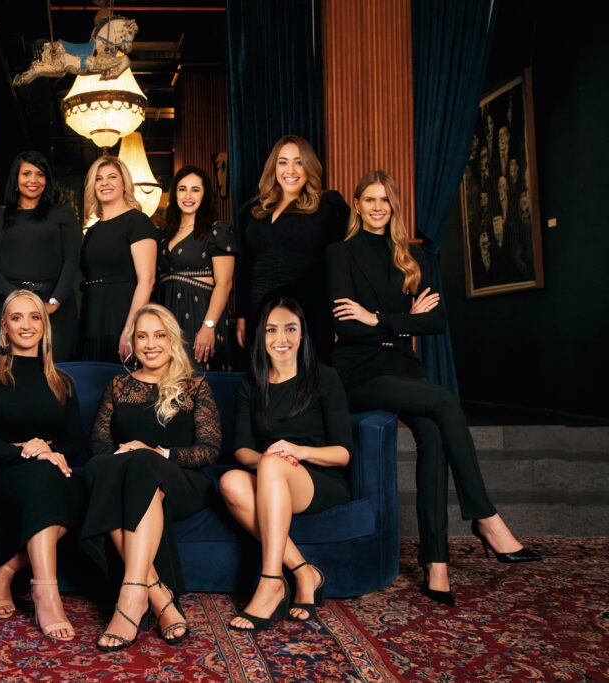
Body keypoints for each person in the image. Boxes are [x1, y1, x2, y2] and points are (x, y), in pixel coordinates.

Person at [326, 170, 540, 606]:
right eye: (370, 200)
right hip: (358, 372)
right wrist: (405, 320)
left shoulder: (412, 256)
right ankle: (484, 516)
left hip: (402, 367)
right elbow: (345, 328)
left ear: (394, 205)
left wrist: (378, 319)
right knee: (443, 400)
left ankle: (436, 562)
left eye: (385, 200)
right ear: (357, 205)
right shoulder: (339, 253)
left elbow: (437, 321)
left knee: (434, 433)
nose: (378, 207)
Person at [80, 303, 222, 651]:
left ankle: (130, 597)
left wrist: (159, 452)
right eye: (142, 336)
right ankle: (157, 595)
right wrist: (125, 456)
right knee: (103, 468)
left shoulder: (195, 384)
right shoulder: (118, 385)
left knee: (141, 464)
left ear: (172, 339)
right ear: (133, 342)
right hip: (130, 480)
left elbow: (209, 449)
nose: (150, 343)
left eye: (159, 335)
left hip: (181, 484)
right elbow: (99, 441)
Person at [219, 297, 353, 630]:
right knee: (230, 482)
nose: (282, 339)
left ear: (302, 334)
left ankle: (271, 581)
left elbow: (343, 453)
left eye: (290, 329)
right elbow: (241, 450)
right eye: (272, 330)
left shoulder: (324, 377)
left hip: (319, 479)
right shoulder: (252, 384)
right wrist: (270, 461)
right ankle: (304, 572)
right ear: (260, 336)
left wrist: (299, 452)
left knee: (272, 464)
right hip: (273, 474)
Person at [0, 290, 87, 641]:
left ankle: (3, 570)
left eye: (34, 317)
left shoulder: (62, 381)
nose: (26, 325)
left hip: (48, 472)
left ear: (45, 325)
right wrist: (31, 452)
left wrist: (48, 449)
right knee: (43, 476)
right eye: (16, 317)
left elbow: (75, 444)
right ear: (4, 326)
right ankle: (46, 592)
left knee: (81, 487)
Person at [236, 135, 350, 364]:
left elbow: (342, 263)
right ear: (274, 167)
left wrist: (338, 318)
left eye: (299, 162)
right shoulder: (254, 211)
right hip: (260, 319)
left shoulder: (327, 206)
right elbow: (245, 266)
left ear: (309, 167)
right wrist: (241, 314)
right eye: (283, 162)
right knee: (264, 380)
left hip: (309, 317)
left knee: (307, 380)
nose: (290, 170)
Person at [0, 151, 81, 361]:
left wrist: (54, 302)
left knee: (56, 370)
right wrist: (18, 298)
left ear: (47, 180)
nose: (33, 180)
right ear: (16, 179)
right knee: (11, 370)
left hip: (54, 307)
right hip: (9, 305)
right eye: (26, 174)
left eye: (40, 174)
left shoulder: (62, 213)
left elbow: (71, 260)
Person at [79, 156, 159, 362]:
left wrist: (130, 329)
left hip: (121, 314)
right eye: (98, 179)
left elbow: (147, 280)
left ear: (124, 183)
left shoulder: (137, 221)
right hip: (91, 314)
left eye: (112, 177)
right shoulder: (92, 231)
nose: (105, 183)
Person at [157, 165, 236, 371]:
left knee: (199, 378)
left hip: (200, 315)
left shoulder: (216, 231)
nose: (188, 196)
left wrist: (208, 325)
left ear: (204, 195)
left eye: (195, 190)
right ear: (174, 193)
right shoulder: (164, 235)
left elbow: (225, 283)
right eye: (182, 189)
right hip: (168, 317)